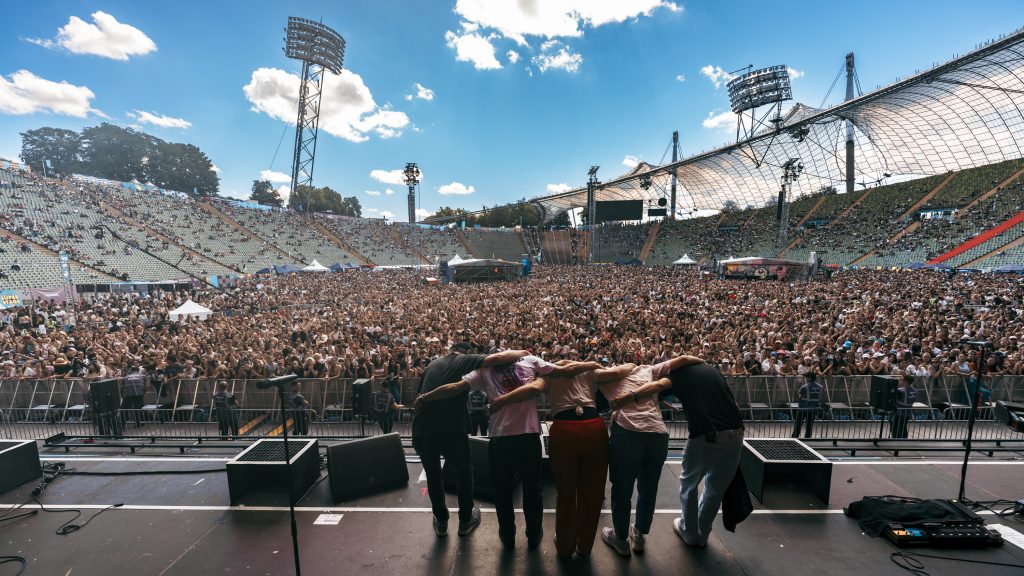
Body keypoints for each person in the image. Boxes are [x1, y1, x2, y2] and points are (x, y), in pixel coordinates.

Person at [417, 355, 599, 551]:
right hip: (528, 436)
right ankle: (534, 533)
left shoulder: (484, 370)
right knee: (533, 489)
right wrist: (592, 364)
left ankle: (507, 535)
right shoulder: (529, 360)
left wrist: (425, 397)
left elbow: (454, 388)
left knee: (502, 492)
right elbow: (567, 370)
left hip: (501, 438)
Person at [489, 358, 635, 558]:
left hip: (564, 430)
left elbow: (535, 387)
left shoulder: (548, 374)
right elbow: (619, 372)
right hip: (594, 427)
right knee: (592, 493)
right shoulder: (590, 371)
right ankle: (584, 547)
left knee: (566, 492)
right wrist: (633, 366)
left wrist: (503, 399)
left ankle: (565, 546)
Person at [411, 343, 529, 538]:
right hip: (451, 428)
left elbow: (419, 397)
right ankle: (465, 519)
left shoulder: (432, 365)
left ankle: (441, 521)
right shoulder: (463, 360)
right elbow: (497, 359)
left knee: (433, 475)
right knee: (464, 471)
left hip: (423, 428)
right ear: (464, 352)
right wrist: (523, 352)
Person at [629, 361, 744, 548]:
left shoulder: (678, 375)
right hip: (737, 433)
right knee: (715, 490)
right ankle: (703, 533)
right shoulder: (711, 370)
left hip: (707, 435)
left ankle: (689, 531)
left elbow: (658, 386)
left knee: (689, 485)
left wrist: (631, 395)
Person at [602, 355, 705, 556]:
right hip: (657, 434)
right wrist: (705, 364)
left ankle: (621, 539)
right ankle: (639, 535)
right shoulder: (648, 369)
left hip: (628, 432)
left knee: (622, 489)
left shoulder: (607, 376)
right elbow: (684, 358)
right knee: (648, 489)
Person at [791, 372, 823, 439]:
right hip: (813, 409)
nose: (805, 378)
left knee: (798, 424)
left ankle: (795, 437)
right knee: (809, 425)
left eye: (806, 377)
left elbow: (800, 395)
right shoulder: (820, 387)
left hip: (803, 408)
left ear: (809, 378)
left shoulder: (804, 387)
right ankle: (808, 437)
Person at [890, 374, 917, 439]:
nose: (900, 381)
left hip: (899, 412)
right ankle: (905, 440)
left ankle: (896, 441)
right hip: (908, 412)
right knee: (903, 427)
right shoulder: (915, 390)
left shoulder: (901, 391)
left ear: (906, 381)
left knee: (895, 429)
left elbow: (892, 397)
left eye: (902, 380)